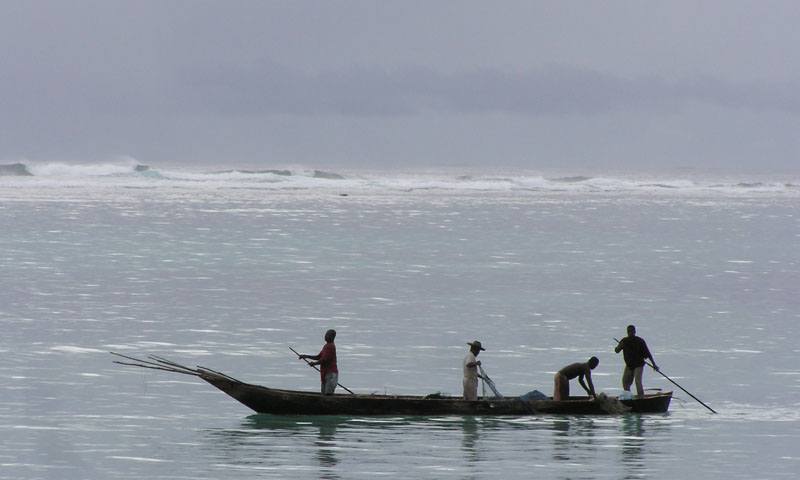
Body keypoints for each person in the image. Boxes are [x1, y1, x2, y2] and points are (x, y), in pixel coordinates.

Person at [615, 325, 659, 398]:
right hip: (629, 365)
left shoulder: (640, 341)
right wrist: (619, 346)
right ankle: (628, 396)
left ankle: (641, 397)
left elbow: (648, 354)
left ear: (634, 332)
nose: (630, 333)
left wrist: (654, 365)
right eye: (628, 331)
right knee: (625, 381)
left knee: (637, 381)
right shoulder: (624, 341)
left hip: (639, 364)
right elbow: (617, 351)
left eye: (631, 331)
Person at [298, 329, 339, 395]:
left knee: (328, 394)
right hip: (326, 373)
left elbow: (323, 360)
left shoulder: (330, 346)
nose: (325, 336)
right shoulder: (326, 346)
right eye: (325, 335)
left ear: (331, 337)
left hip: (330, 374)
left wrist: (314, 363)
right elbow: (318, 357)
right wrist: (306, 356)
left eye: (327, 335)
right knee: (324, 394)